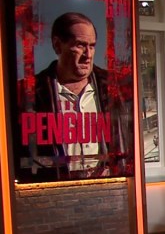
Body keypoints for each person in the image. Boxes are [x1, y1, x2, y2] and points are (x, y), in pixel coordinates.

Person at [18, 11, 130, 181]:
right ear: (57, 45)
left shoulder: (115, 88)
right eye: (80, 45)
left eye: (92, 46)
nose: (88, 55)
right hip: (54, 190)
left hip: (107, 187)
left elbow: (126, 143)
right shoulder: (29, 92)